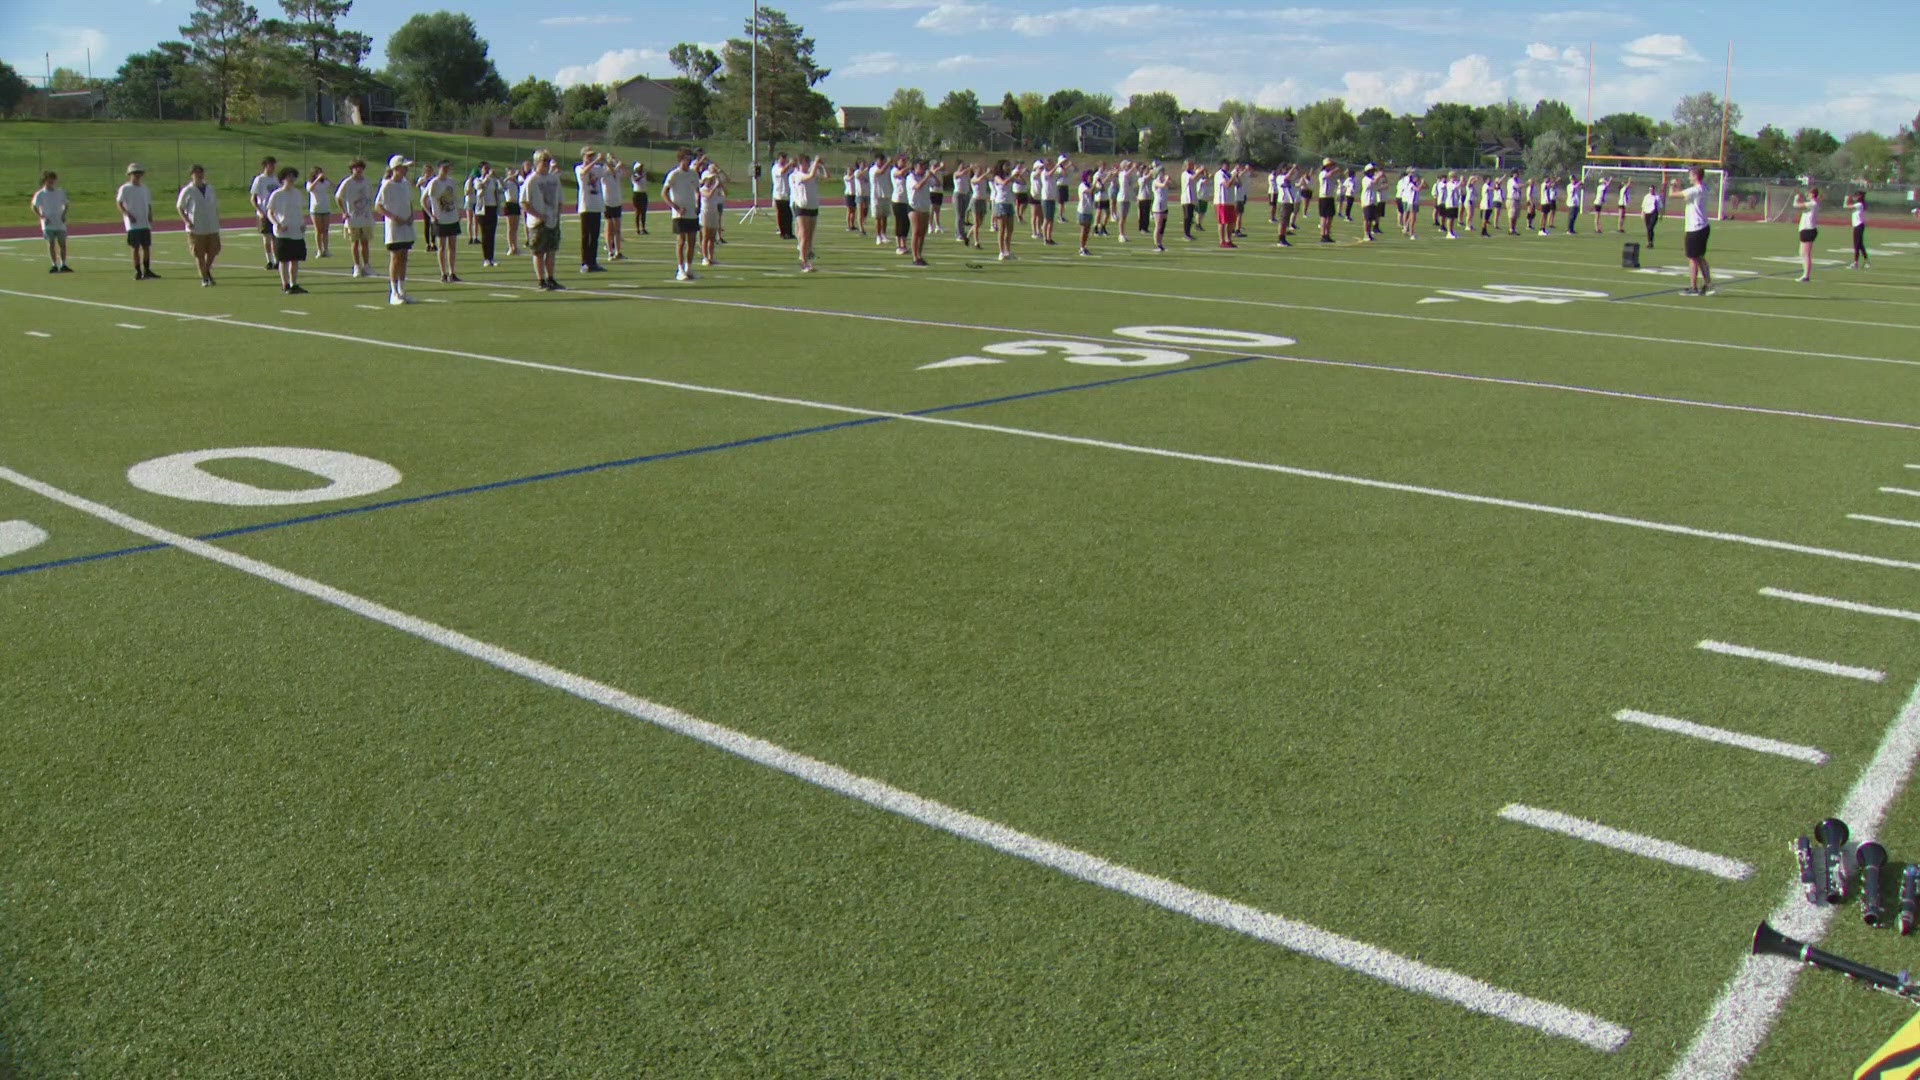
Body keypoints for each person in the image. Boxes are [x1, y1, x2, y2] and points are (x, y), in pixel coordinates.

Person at [374, 154, 417, 305]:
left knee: (404, 257)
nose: (406, 170)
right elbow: (378, 206)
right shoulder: (387, 185)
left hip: (406, 225)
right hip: (394, 227)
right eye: (403, 167)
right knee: (395, 257)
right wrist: (393, 217)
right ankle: (393, 292)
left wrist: (411, 215)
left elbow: (409, 202)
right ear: (396, 168)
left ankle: (402, 289)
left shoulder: (405, 184)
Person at [520, 149, 564, 291]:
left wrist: (557, 215)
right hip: (538, 222)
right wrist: (538, 215)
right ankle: (541, 279)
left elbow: (560, 200)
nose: (546, 163)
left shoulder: (554, 179)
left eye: (547, 160)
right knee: (539, 252)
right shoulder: (532, 180)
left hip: (552, 219)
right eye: (543, 160)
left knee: (551, 251)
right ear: (537, 162)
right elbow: (524, 202)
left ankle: (551, 278)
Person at [1668, 167, 1712, 295]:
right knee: (1700, 257)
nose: (1689, 178)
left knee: (1692, 258)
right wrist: (1679, 187)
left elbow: (1672, 195)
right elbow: (1686, 196)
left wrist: (1673, 184)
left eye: (1690, 175)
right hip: (1703, 226)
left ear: (1695, 176)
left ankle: (1693, 287)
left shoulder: (1694, 190)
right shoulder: (1703, 188)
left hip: (1695, 228)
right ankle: (1707, 282)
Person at [265, 166, 310, 294]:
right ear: (282, 179)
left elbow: (300, 211)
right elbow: (270, 212)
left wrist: (303, 223)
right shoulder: (277, 194)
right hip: (283, 232)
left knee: (295, 260)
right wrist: (277, 224)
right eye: (288, 176)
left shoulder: (297, 193)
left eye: (293, 176)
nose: (291, 179)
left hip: (296, 231)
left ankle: (294, 284)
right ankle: (285, 284)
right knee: (283, 260)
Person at [176, 164, 222, 286]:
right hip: (196, 227)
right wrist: (186, 221)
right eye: (196, 173)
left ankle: (206, 270)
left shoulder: (210, 188)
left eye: (200, 172)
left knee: (213, 251)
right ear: (191, 175)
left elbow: (214, 205)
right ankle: (204, 277)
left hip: (211, 225)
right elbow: (180, 207)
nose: (198, 175)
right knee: (199, 254)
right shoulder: (188, 190)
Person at [423, 161, 463, 284]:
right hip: (440, 219)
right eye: (444, 168)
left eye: (448, 168)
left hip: (452, 217)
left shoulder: (451, 182)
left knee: (452, 246)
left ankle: (452, 272)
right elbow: (423, 200)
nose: (446, 170)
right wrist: (431, 216)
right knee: (441, 246)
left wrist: (459, 212)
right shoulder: (434, 182)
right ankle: (443, 273)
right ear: (439, 168)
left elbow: (456, 199)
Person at [664, 148, 701, 281]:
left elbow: (697, 191)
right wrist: (675, 207)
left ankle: (689, 268)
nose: (689, 160)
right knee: (681, 241)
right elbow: (664, 193)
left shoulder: (693, 174)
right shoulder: (674, 174)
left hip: (692, 212)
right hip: (680, 213)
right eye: (686, 158)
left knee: (692, 241)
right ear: (681, 159)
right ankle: (680, 269)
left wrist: (698, 205)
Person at [334, 159, 375, 278]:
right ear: (352, 169)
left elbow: (370, 196)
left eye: (360, 168)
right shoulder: (347, 182)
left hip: (365, 216)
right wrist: (344, 212)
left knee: (365, 242)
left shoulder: (366, 181)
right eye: (356, 168)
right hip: (353, 217)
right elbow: (338, 197)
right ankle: (357, 266)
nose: (358, 170)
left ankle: (367, 266)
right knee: (355, 242)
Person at [116, 163, 156, 280]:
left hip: (144, 222)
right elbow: (119, 203)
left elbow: (148, 203)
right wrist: (127, 214)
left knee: (147, 247)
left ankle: (147, 270)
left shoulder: (144, 188)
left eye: (139, 173)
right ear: (130, 174)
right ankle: (138, 271)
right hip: (133, 224)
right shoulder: (125, 188)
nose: (137, 175)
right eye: (135, 173)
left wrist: (149, 214)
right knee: (135, 248)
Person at [574, 147, 608, 273]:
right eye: (588, 156)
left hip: (596, 205)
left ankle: (593, 262)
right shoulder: (579, 168)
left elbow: (611, 172)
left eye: (592, 156)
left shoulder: (597, 169)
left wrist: (605, 161)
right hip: (586, 206)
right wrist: (594, 162)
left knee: (594, 236)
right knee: (585, 236)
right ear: (583, 157)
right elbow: (583, 174)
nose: (591, 158)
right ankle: (584, 262)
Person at [31, 171, 70, 273]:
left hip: (59, 222)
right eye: (49, 179)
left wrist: (63, 215)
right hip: (48, 223)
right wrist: (42, 217)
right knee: (51, 243)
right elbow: (34, 206)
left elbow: (66, 204)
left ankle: (63, 264)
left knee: (62, 244)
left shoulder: (60, 192)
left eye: (53, 179)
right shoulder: (40, 194)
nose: (51, 181)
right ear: (45, 180)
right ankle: (54, 265)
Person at [790, 152, 821, 272]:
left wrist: (821, 165)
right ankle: (803, 261)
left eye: (808, 163)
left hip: (813, 206)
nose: (806, 165)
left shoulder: (811, 172)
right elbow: (810, 175)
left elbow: (827, 176)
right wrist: (816, 163)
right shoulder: (798, 175)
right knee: (803, 235)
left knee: (810, 236)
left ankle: (808, 259)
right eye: (804, 163)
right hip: (802, 206)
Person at [250, 156, 279, 269]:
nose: (272, 167)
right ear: (265, 166)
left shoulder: (275, 179)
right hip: (264, 212)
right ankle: (269, 260)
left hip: (275, 213)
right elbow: (253, 198)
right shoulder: (260, 179)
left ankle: (277, 260)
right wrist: (260, 211)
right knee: (267, 238)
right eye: (270, 165)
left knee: (275, 238)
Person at [905, 159, 933, 266]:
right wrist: (927, 177)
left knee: (922, 233)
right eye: (920, 167)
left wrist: (932, 174)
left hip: (925, 207)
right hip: (914, 207)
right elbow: (917, 186)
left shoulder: (924, 177)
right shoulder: (910, 177)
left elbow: (937, 184)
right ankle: (914, 256)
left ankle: (920, 255)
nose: (922, 169)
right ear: (915, 167)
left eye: (923, 167)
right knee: (916, 232)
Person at [475, 161, 502, 267]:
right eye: (485, 168)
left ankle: (491, 258)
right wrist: (487, 178)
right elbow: (480, 187)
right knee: (485, 234)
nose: (487, 170)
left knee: (491, 234)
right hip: (482, 210)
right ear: (481, 170)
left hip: (492, 208)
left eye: (488, 168)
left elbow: (503, 188)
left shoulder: (493, 180)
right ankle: (486, 258)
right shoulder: (478, 180)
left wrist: (498, 177)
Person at [697, 165, 725, 267]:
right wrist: (715, 186)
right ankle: (705, 257)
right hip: (705, 213)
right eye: (710, 179)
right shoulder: (702, 189)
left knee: (712, 237)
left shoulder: (715, 188)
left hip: (714, 212)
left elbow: (725, 193)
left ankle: (711, 257)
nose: (711, 180)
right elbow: (708, 195)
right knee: (705, 236)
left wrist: (720, 184)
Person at [1792, 185, 1819, 282]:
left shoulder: (1813, 203)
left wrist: (1796, 198)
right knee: (1802, 253)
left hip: (1808, 229)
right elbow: (1800, 206)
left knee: (1806, 254)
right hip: (1805, 229)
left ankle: (1806, 275)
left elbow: (1796, 205)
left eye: (1808, 193)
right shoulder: (1811, 203)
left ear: (1812, 194)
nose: (1806, 195)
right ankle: (1805, 273)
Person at [305, 166, 333, 259]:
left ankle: (326, 249)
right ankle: (319, 250)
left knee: (325, 230)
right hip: (315, 208)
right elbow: (310, 189)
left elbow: (333, 185)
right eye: (317, 172)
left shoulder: (324, 182)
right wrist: (317, 179)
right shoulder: (310, 183)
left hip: (325, 207)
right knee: (318, 230)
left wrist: (326, 178)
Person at [601, 158, 626, 261]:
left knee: (617, 229)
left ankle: (618, 251)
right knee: (609, 229)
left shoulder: (616, 173)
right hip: (607, 202)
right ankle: (610, 251)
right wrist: (612, 164)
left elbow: (625, 173)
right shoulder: (605, 173)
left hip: (617, 202)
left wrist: (618, 164)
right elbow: (611, 170)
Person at [502, 161, 526, 256]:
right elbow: (502, 184)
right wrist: (512, 176)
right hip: (509, 204)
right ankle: (510, 247)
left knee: (515, 228)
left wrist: (515, 177)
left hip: (516, 204)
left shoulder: (517, 180)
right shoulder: (506, 181)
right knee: (510, 228)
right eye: (509, 171)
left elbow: (522, 183)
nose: (512, 173)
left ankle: (515, 247)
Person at [770, 152, 793, 241]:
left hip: (786, 194)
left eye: (785, 159)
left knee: (789, 215)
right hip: (779, 194)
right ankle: (782, 233)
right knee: (781, 215)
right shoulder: (776, 168)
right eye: (782, 159)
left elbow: (793, 170)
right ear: (778, 159)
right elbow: (782, 171)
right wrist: (789, 164)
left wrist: (794, 164)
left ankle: (789, 232)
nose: (784, 161)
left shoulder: (787, 167)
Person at [1846, 190, 1870, 270]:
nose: (1855, 197)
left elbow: (1846, 206)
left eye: (1856, 195)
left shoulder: (1859, 204)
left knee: (1857, 245)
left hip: (1858, 226)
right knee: (1860, 245)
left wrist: (1847, 199)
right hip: (1858, 226)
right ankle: (1866, 261)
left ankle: (1856, 262)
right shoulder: (1859, 204)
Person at [1151, 163, 1170, 251]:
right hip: (1158, 206)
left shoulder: (1164, 180)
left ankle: (1160, 242)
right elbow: (1162, 186)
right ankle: (1156, 243)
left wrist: (1168, 180)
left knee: (1163, 226)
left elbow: (1171, 185)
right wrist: (1166, 180)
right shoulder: (1155, 181)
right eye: (1161, 171)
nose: (1163, 173)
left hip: (1164, 205)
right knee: (1158, 225)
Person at [631, 161, 650, 236]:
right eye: (640, 167)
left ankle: (643, 228)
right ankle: (637, 229)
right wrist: (642, 176)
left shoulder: (644, 175)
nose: (641, 169)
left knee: (643, 212)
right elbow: (636, 180)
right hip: (637, 194)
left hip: (643, 193)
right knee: (637, 212)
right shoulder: (634, 175)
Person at [1640, 182, 1661, 249]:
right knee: (1648, 229)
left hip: (1654, 213)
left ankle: (1650, 242)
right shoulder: (1646, 197)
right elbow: (1643, 206)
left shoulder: (1657, 197)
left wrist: (1661, 215)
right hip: (1647, 213)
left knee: (1650, 227)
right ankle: (1649, 242)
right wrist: (1642, 213)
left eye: (1652, 190)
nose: (1651, 191)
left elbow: (1660, 206)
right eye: (1650, 190)